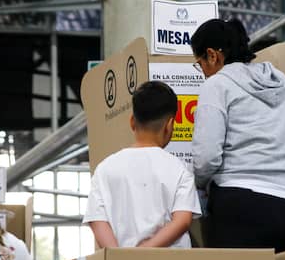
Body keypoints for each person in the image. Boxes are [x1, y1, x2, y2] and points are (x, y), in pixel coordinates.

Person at [190, 18, 285, 252]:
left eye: (199, 64)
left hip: (241, 207)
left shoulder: (217, 85)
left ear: (212, 55)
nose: (202, 72)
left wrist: (199, 184)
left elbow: (206, 157)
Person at [84, 81, 201, 248]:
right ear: (170, 125)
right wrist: (144, 251)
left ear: (132, 121)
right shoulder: (180, 169)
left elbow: (97, 220)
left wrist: (120, 257)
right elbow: (182, 221)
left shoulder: (104, 169)